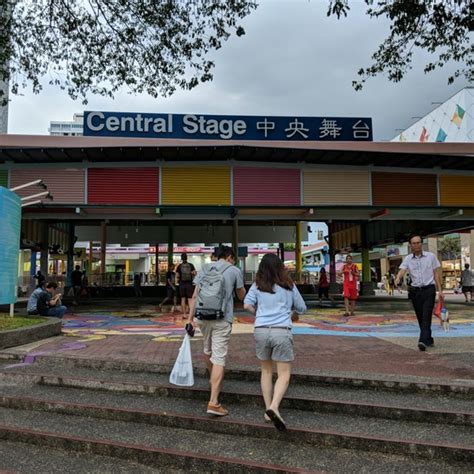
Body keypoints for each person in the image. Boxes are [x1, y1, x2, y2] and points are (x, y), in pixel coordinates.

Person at [244, 253, 306, 431]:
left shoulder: (257, 285)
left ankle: (267, 409)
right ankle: (274, 407)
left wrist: (258, 313)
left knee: (266, 370)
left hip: (261, 330)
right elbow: (302, 307)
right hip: (281, 330)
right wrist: (290, 310)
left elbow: (247, 305)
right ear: (280, 267)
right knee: (284, 373)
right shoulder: (288, 285)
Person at [188, 246, 245, 417]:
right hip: (222, 318)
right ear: (228, 257)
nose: (233, 260)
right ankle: (214, 401)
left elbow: (195, 295)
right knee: (219, 357)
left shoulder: (205, 268)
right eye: (233, 258)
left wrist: (190, 319)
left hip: (202, 317)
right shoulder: (234, 270)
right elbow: (241, 296)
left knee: (207, 349)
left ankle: (214, 380)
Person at [395, 233, 443, 351]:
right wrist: (398, 277)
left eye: (418, 242)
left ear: (422, 243)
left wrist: (440, 290)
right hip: (415, 292)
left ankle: (422, 341)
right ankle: (429, 339)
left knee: (426, 316)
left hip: (429, 290)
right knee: (420, 317)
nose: (416, 245)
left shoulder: (431, 256)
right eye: (414, 243)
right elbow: (402, 270)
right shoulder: (407, 258)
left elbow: (436, 274)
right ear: (411, 245)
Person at [176, 253, 196, 319]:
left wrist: (179, 280)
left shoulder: (179, 266)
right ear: (187, 258)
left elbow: (177, 276)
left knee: (183, 299)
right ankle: (191, 314)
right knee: (190, 299)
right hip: (189, 284)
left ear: (181, 258)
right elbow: (195, 273)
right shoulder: (191, 265)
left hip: (182, 284)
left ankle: (184, 314)